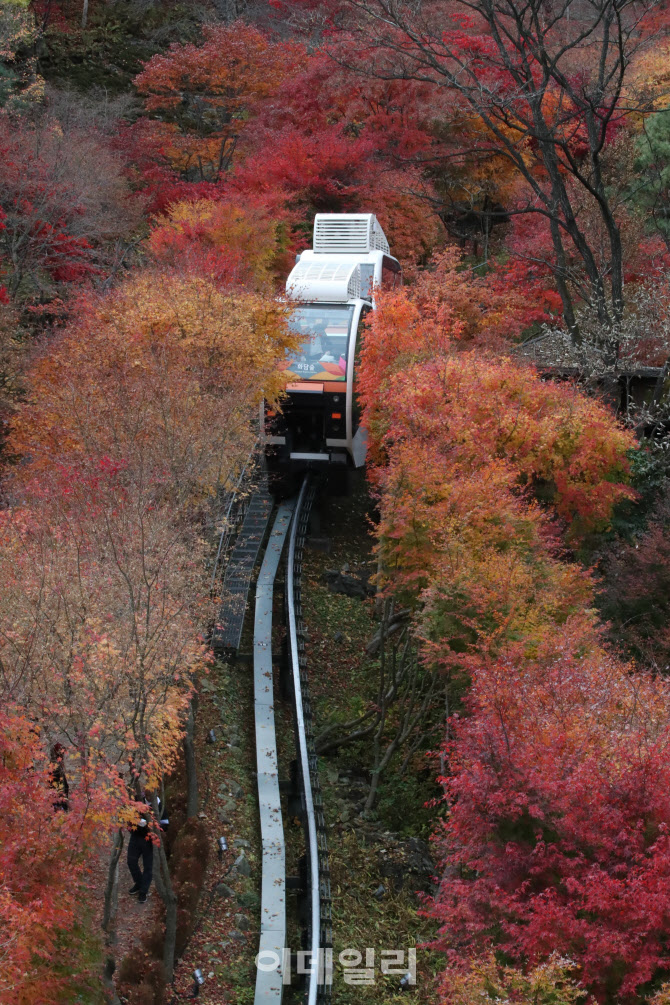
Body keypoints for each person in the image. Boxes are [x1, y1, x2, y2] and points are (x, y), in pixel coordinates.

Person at [127, 794, 169, 904]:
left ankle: (143, 891)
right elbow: (128, 815)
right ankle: (139, 883)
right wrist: (135, 823)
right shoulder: (137, 799)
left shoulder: (159, 805)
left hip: (150, 840)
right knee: (131, 861)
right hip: (136, 836)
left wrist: (152, 826)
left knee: (148, 866)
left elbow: (165, 824)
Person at [49, 743, 69, 812]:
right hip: (55, 773)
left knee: (64, 787)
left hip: (58, 773)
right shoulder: (55, 762)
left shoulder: (59, 761)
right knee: (58, 789)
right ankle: (59, 806)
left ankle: (62, 805)